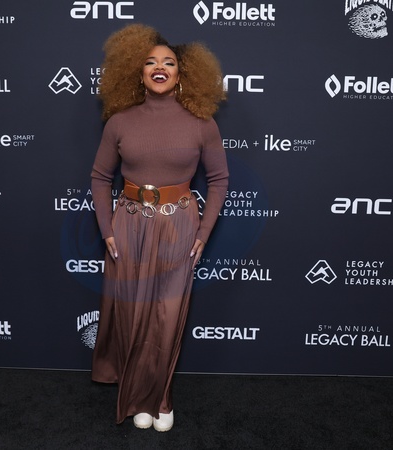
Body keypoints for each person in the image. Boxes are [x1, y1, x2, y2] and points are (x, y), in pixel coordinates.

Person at [90, 24, 229, 432]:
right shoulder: (119, 122)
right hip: (129, 224)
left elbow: (219, 180)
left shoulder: (202, 123)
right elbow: (100, 177)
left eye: (168, 62)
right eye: (150, 62)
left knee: (167, 318)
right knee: (132, 314)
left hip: (179, 224)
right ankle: (137, 397)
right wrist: (107, 228)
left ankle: (160, 397)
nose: (159, 67)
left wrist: (202, 233)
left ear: (183, 73)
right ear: (137, 72)